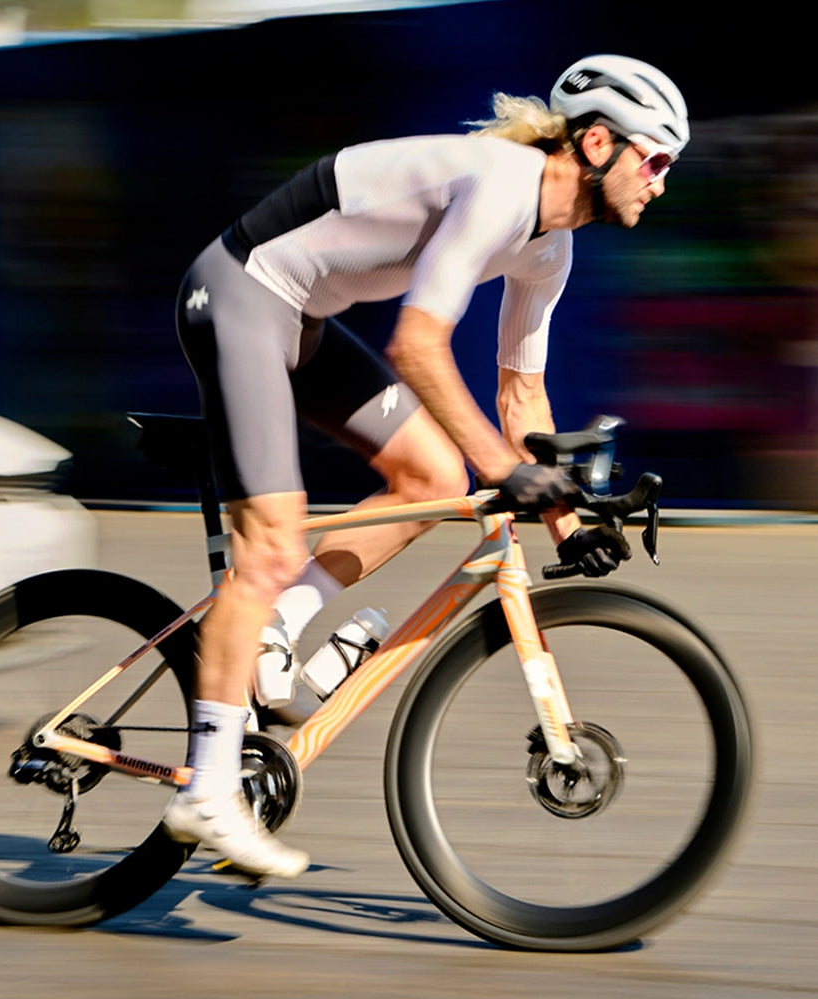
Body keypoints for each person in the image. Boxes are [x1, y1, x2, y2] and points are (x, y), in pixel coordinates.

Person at [162, 54, 689, 878]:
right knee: (268, 546)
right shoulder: (502, 186)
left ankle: (278, 624)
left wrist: (567, 521)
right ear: (597, 144)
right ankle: (207, 789)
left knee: (436, 481)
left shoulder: (550, 249)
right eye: (654, 160)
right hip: (239, 293)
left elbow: (522, 398)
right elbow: (417, 345)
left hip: (302, 318)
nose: (661, 182)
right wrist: (504, 470)